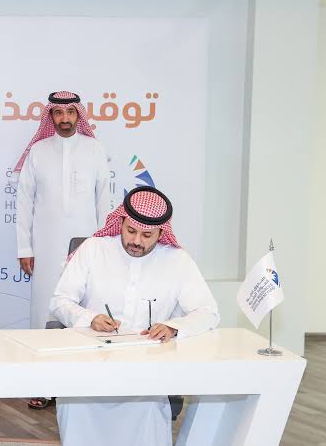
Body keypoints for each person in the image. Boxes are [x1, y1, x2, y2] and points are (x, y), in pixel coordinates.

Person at [49, 186, 220, 446]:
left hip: (146, 371)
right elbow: (60, 301)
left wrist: (173, 327)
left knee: (147, 414)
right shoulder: (94, 249)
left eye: (147, 235)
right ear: (120, 222)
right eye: (130, 231)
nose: (136, 241)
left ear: (161, 232)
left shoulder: (178, 261)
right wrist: (89, 318)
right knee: (79, 408)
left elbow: (208, 312)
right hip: (89, 366)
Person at [14, 91, 110, 409]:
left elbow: (103, 200)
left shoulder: (94, 149)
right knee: (45, 308)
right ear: (51, 116)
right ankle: (42, 384)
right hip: (45, 245)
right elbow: (24, 201)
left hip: (86, 245)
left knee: (81, 307)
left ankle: (78, 382)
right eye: (59, 113)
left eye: (70, 112)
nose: (65, 118)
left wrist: (103, 245)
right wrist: (24, 247)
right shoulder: (39, 151)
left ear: (78, 115)